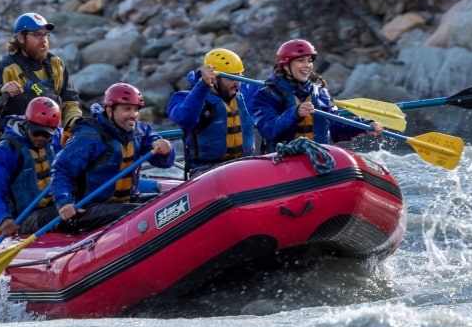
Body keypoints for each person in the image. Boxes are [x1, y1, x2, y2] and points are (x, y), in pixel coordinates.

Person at [50, 83, 176, 233]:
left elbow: (164, 163)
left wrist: (166, 150)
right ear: (110, 110)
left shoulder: (141, 131)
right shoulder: (88, 136)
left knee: (171, 202)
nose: (133, 115)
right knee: (142, 211)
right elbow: (60, 169)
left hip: (129, 200)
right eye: (126, 109)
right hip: (90, 208)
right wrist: (64, 202)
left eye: (136, 109)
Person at [249, 38, 383, 151]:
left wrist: (364, 125)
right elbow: (268, 130)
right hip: (285, 159)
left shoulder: (320, 93)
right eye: (300, 61)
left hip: (319, 155)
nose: (307, 65)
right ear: (285, 65)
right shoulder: (265, 95)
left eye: (309, 60)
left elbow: (335, 127)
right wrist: (294, 113)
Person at [0, 12, 82, 135]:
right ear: (21, 37)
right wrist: (1, 91)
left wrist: (74, 125)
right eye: (37, 35)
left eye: (45, 35)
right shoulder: (6, 68)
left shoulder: (56, 65)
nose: (43, 40)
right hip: (14, 143)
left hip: (50, 139)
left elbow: (70, 102)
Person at [166, 47, 255, 178]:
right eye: (231, 78)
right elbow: (184, 119)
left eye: (239, 77)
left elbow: (272, 97)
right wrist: (202, 87)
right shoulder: (183, 98)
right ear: (214, 78)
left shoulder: (244, 93)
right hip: (207, 170)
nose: (237, 84)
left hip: (244, 164)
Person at [0, 97, 64, 237]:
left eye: (46, 134)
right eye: (36, 132)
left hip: (57, 206)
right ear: (27, 123)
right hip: (23, 218)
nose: (41, 138)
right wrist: (4, 218)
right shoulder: (5, 151)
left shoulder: (57, 139)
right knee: (69, 216)